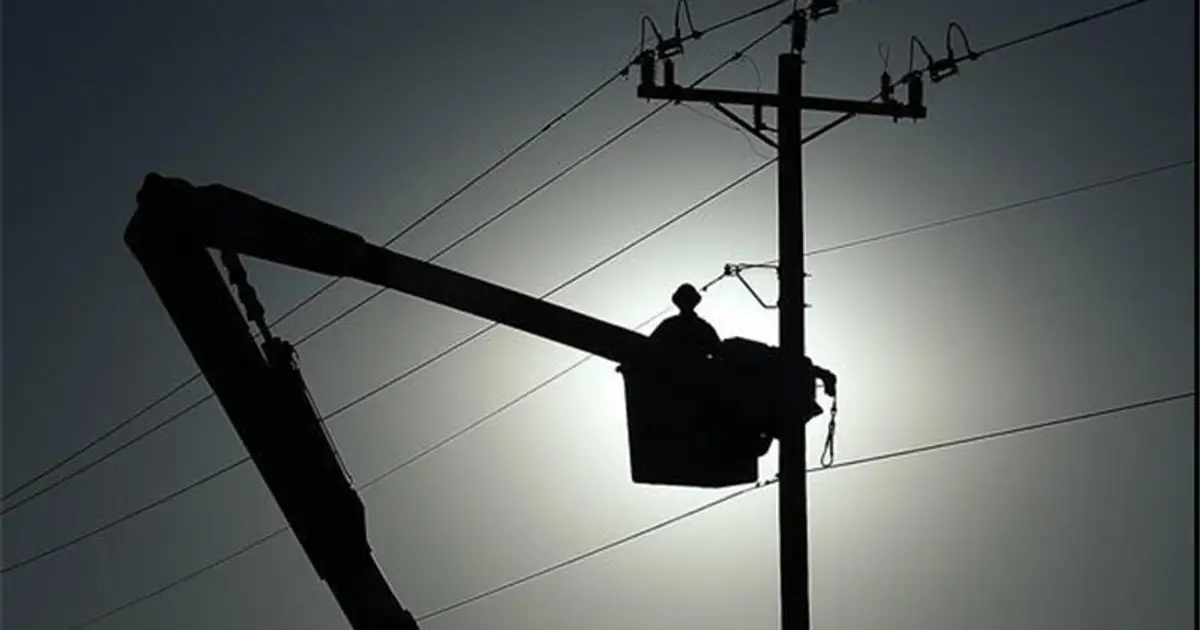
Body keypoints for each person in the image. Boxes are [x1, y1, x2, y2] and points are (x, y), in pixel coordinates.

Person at [649, 283, 721, 358]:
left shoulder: (703, 327)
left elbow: (718, 351)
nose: (685, 303)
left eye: (687, 299)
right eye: (684, 299)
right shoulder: (703, 327)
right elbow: (651, 345)